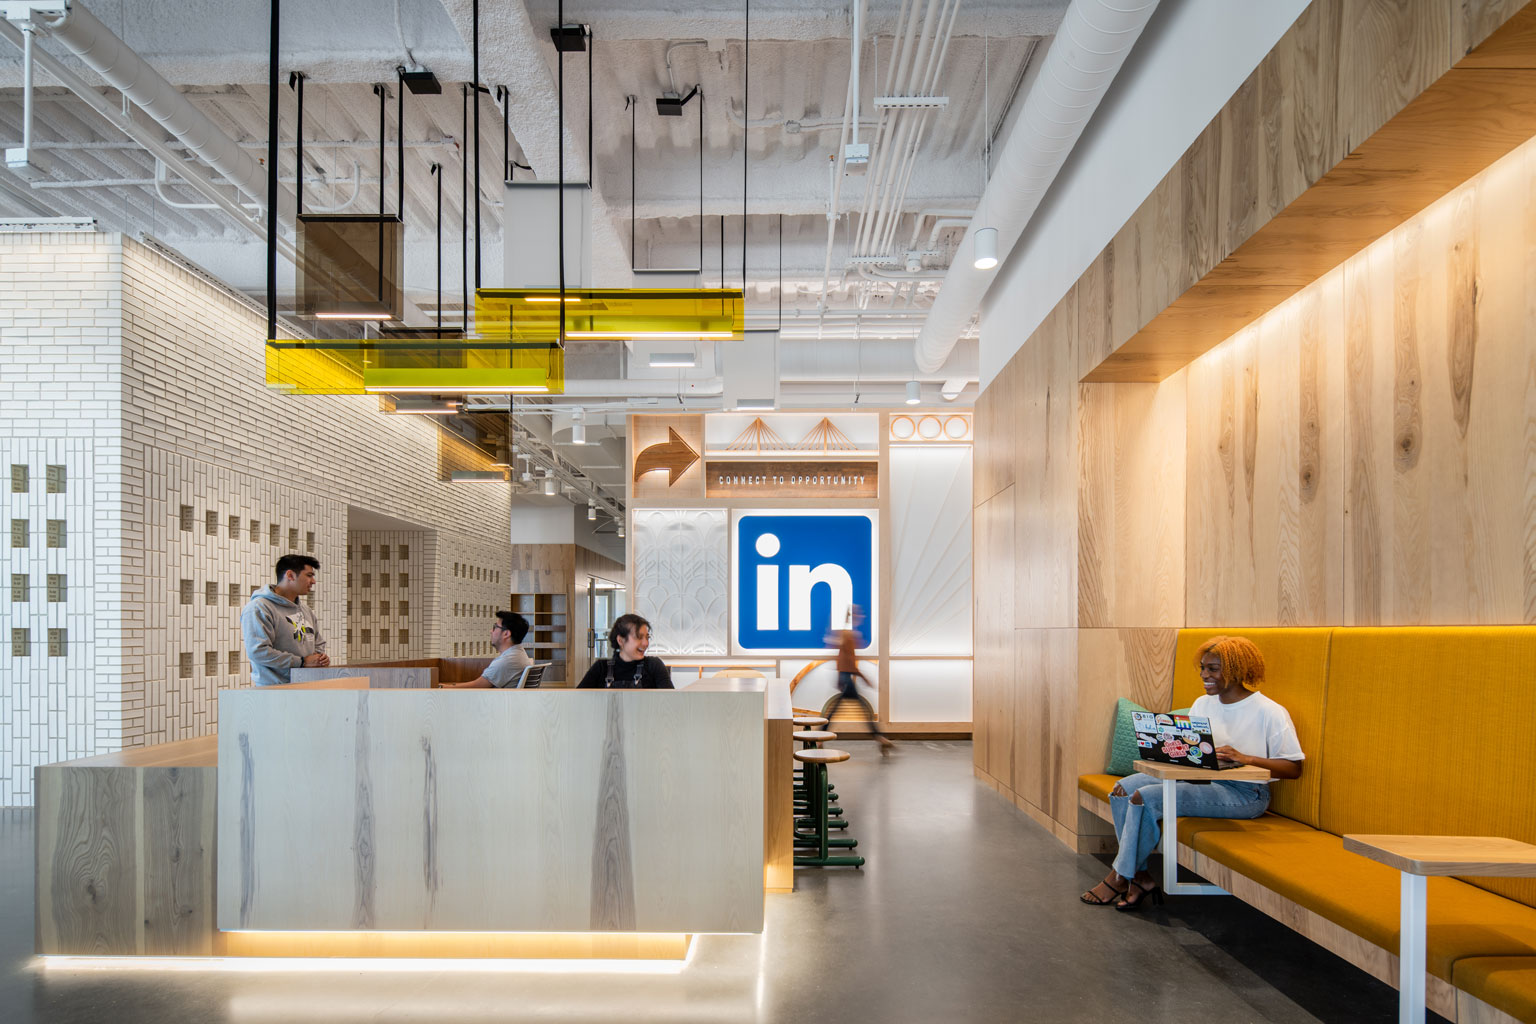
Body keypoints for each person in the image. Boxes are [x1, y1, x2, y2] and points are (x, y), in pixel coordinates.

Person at [1080, 635, 1305, 911]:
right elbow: (1194, 752)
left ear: (1236, 669)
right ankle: (1138, 875)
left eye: (1213, 669)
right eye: (1202, 668)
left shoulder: (1269, 712)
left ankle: (1119, 877)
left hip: (1247, 794)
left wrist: (1244, 757)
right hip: (1202, 778)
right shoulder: (1203, 704)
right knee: (1122, 789)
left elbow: (1294, 768)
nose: (1204, 675)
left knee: (1146, 797)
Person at [241, 554, 330, 686]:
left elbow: (318, 643)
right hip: (274, 691)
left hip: (307, 688)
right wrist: (302, 661)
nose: (313, 581)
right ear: (290, 575)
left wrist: (319, 658)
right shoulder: (259, 608)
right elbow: (258, 651)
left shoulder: (306, 610)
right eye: (309, 575)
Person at [822, 606, 894, 754]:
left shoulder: (848, 635)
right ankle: (880, 739)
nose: (861, 616)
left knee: (838, 710)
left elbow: (842, 657)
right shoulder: (849, 636)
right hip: (847, 677)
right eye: (858, 614)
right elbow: (847, 661)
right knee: (862, 710)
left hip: (845, 677)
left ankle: (820, 738)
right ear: (854, 617)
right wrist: (864, 677)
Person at [576, 613, 673, 689]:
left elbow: (670, 702)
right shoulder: (601, 668)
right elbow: (578, 700)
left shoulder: (654, 665)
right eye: (639, 637)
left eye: (647, 637)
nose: (645, 643)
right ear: (620, 640)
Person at [445, 611, 531, 688]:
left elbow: (476, 686)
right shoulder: (517, 653)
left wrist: (444, 688)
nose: (491, 631)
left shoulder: (507, 661)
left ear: (506, 633)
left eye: (495, 627)